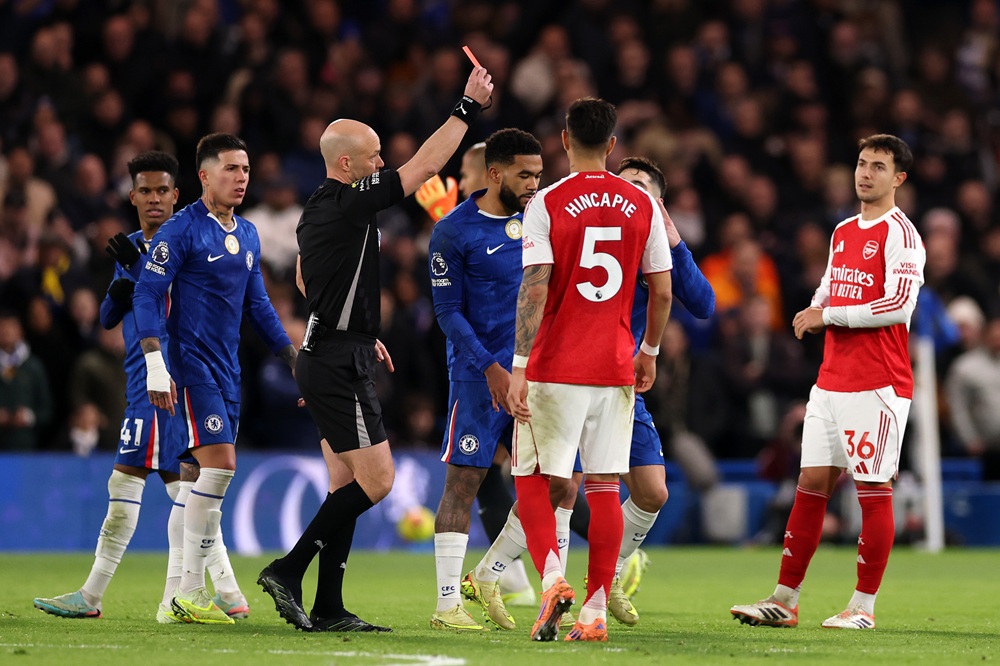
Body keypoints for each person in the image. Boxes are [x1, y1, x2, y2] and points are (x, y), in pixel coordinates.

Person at [256, 63, 493, 633]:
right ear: (347, 166)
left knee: (345, 483)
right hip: (338, 360)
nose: (382, 163)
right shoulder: (347, 202)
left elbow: (312, 283)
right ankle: (288, 570)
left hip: (332, 350)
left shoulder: (320, 210)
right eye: (374, 157)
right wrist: (467, 106)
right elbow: (427, 168)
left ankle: (329, 606)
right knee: (378, 480)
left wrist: (361, 330)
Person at [464, 156, 716, 629]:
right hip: (565, 371)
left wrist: (673, 238)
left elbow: (702, 303)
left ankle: (604, 573)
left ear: (656, 202)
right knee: (562, 485)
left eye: (640, 186)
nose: (623, 194)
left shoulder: (649, 238)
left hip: (619, 380)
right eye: (624, 184)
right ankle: (529, 585)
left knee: (652, 491)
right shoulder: (587, 227)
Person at [32, 151, 249, 622]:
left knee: (167, 487)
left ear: (177, 194)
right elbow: (111, 318)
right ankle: (222, 592)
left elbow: (184, 307)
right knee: (178, 491)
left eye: (163, 190)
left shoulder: (189, 241)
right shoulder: (131, 246)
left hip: (170, 382)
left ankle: (114, 595)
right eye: (145, 191)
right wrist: (123, 278)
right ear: (133, 196)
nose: (154, 199)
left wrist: (142, 268)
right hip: (140, 381)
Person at [731, 134, 925, 630]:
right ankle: (784, 599)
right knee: (810, 485)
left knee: (872, 489)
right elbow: (831, 284)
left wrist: (829, 314)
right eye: (862, 163)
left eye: (878, 167)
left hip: (878, 383)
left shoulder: (901, 234)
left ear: (898, 178)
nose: (866, 173)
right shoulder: (842, 230)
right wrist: (817, 306)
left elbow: (898, 306)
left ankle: (863, 607)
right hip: (832, 381)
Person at [508, 97, 673, 642]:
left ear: (563, 139)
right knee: (604, 486)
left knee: (532, 478)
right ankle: (595, 611)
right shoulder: (642, 203)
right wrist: (648, 349)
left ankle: (553, 577)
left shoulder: (547, 202)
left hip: (555, 364)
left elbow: (534, 284)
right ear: (612, 145)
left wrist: (519, 365)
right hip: (614, 365)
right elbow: (663, 290)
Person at [131, 135, 295, 625]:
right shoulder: (180, 231)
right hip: (189, 365)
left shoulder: (246, 233)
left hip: (228, 370)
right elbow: (145, 295)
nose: (241, 177)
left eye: (245, 168)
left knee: (195, 481)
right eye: (230, 169)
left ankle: (171, 603)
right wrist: (155, 363)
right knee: (220, 468)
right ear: (203, 176)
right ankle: (189, 591)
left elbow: (259, 304)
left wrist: (291, 356)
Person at [425, 128, 543, 632]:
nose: (535, 184)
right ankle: (447, 604)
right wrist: (490, 368)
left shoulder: (542, 220)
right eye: (524, 174)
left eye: (539, 174)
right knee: (464, 484)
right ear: (495, 174)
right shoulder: (453, 230)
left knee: (553, 485)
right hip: (478, 379)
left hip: (536, 376)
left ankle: (492, 574)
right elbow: (447, 313)